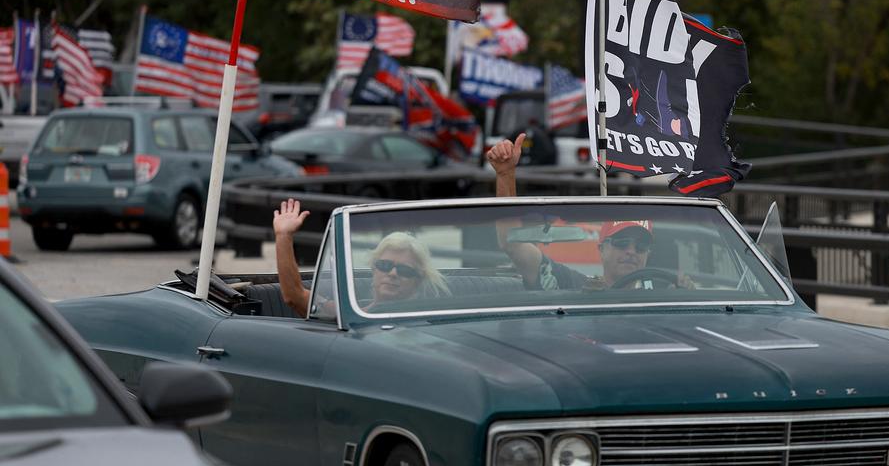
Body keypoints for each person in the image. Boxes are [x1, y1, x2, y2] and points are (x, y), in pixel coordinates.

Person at [486, 134, 694, 291]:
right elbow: (513, 244)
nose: (631, 251)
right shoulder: (572, 284)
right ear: (601, 249)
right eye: (622, 243)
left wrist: (688, 296)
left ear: (648, 254)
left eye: (640, 246)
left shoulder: (663, 297)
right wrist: (505, 175)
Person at [273, 198, 448, 317]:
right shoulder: (354, 314)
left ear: (418, 280)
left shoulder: (430, 316)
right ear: (374, 270)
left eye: (405, 270)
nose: (393, 273)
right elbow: (294, 296)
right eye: (385, 265)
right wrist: (283, 235)